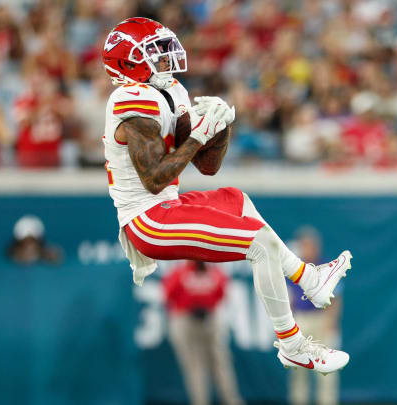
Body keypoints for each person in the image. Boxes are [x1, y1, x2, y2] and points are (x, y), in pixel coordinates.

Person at [101, 17, 353, 374]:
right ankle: (292, 344)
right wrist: (198, 136)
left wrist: (219, 127)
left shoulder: (168, 90)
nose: (163, 57)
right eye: (153, 51)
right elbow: (156, 177)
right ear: (129, 60)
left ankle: (309, 279)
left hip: (166, 204)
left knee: (237, 199)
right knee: (259, 242)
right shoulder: (130, 101)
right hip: (148, 219)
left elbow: (207, 166)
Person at [162, 261, 243, 405]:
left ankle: (231, 400)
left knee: (221, 364)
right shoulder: (180, 272)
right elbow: (167, 295)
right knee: (195, 367)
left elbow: (222, 293)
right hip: (185, 319)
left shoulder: (214, 271)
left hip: (209, 319)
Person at [286, 227, 342, 405]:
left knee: (326, 370)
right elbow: (289, 298)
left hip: (321, 319)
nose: (306, 249)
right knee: (298, 369)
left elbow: (337, 298)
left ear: (316, 247)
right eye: (303, 245)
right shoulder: (295, 269)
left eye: (309, 245)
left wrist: (331, 323)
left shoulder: (326, 269)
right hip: (301, 321)